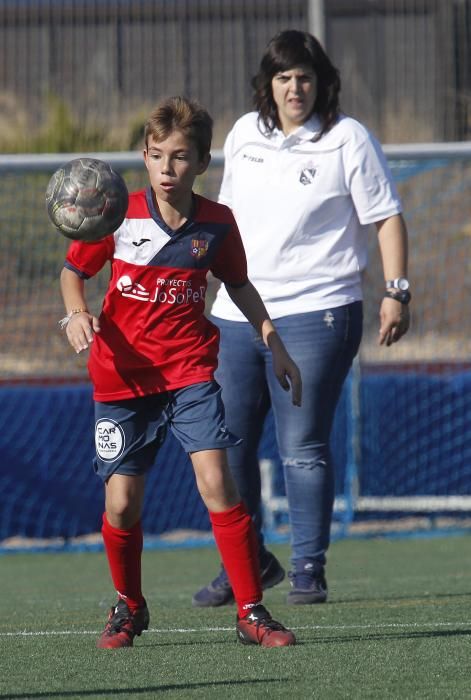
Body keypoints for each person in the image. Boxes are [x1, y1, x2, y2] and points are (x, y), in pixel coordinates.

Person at [59, 95, 302, 649]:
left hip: (189, 373)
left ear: (202, 162)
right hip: (121, 380)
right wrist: (76, 314)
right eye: (157, 155)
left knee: (218, 481)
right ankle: (130, 606)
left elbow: (239, 286)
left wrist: (275, 343)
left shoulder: (217, 224)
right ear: (143, 157)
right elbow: (74, 273)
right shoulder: (115, 214)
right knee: (121, 503)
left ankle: (251, 612)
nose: (168, 169)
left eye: (181, 157)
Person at [193, 29, 411, 608]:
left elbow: (386, 218)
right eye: (285, 77)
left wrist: (397, 292)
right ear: (269, 83)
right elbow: (226, 219)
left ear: (322, 82)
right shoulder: (244, 133)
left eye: (306, 77)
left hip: (320, 310)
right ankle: (247, 563)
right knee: (225, 444)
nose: (296, 87)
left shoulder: (347, 139)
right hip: (238, 312)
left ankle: (308, 568)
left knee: (302, 444)